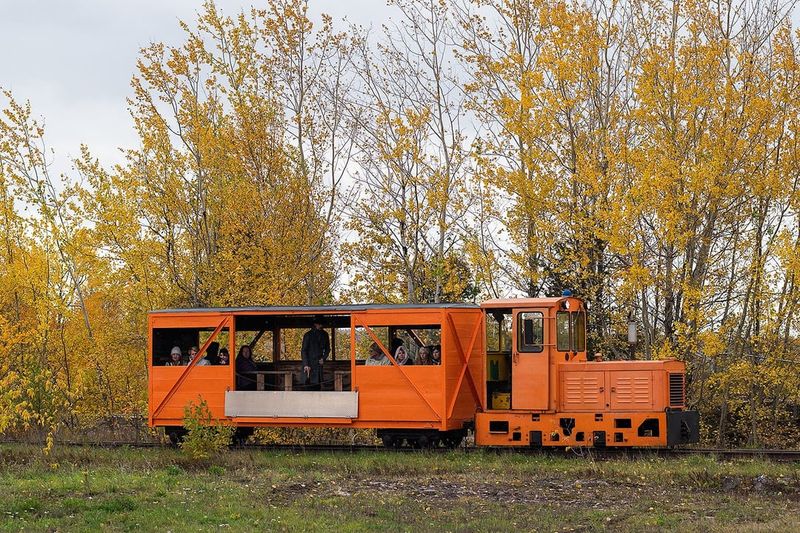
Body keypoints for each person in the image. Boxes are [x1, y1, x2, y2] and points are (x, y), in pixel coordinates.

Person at [301, 316, 331, 390]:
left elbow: (328, 349)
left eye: (322, 324)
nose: (321, 325)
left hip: (318, 364)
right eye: (320, 324)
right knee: (308, 386)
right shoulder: (308, 335)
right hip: (309, 365)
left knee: (318, 386)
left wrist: (323, 358)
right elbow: (304, 350)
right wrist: (306, 364)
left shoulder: (325, 334)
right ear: (315, 324)